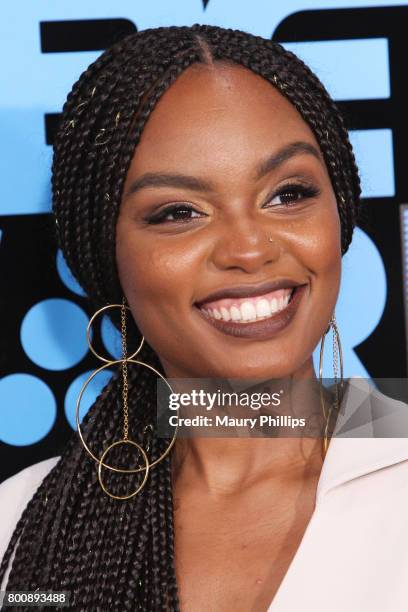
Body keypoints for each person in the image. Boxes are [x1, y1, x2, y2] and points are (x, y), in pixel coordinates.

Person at [1, 23, 407, 612]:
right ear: (105, 256)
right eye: (179, 212)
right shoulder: (23, 524)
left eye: (288, 194)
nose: (247, 248)